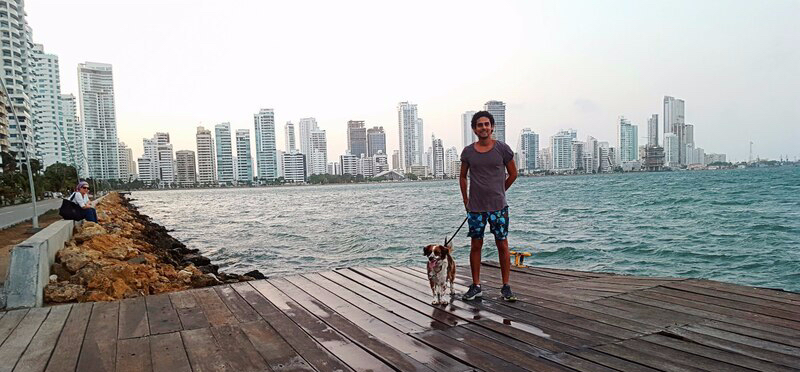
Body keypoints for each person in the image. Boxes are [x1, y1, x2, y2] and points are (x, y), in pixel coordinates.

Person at [459, 111, 518, 301]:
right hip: (475, 208)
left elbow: (513, 174)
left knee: (502, 244)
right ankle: (476, 285)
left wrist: (500, 192)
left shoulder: (502, 149)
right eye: (479, 125)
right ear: (474, 129)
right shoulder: (468, 152)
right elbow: (462, 176)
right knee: (476, 245)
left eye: (486, 124)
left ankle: (506, 286)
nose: (483, 128)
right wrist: (465, 201)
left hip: (498, 207)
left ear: (492, 127)